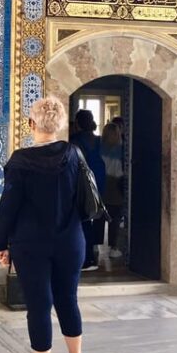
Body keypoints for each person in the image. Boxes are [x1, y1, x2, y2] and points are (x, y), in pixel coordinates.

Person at [0, 96, 88, 353]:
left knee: (39, 305)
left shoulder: (21, 161)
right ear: (60, 124)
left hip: (31, 244)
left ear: (31, 124)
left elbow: (8, 207)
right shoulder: (74, 154)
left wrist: (0, 243)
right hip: (71, 241)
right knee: (68, 299)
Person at [70, 109, 106, 271]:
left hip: (83, 182)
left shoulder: (75, 140)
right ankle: (93, 252)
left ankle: (86, 257)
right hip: (99, 179)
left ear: (77, 123)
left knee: (83, 218)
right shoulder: (99, 140)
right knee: (96, 214)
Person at [101, 122, 124, 259]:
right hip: (115, 185)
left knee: (98, 218)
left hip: (101, 184)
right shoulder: (121, 150)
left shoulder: (99, 149)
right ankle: (113, 247)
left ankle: (94, 246)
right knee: (115, 218)